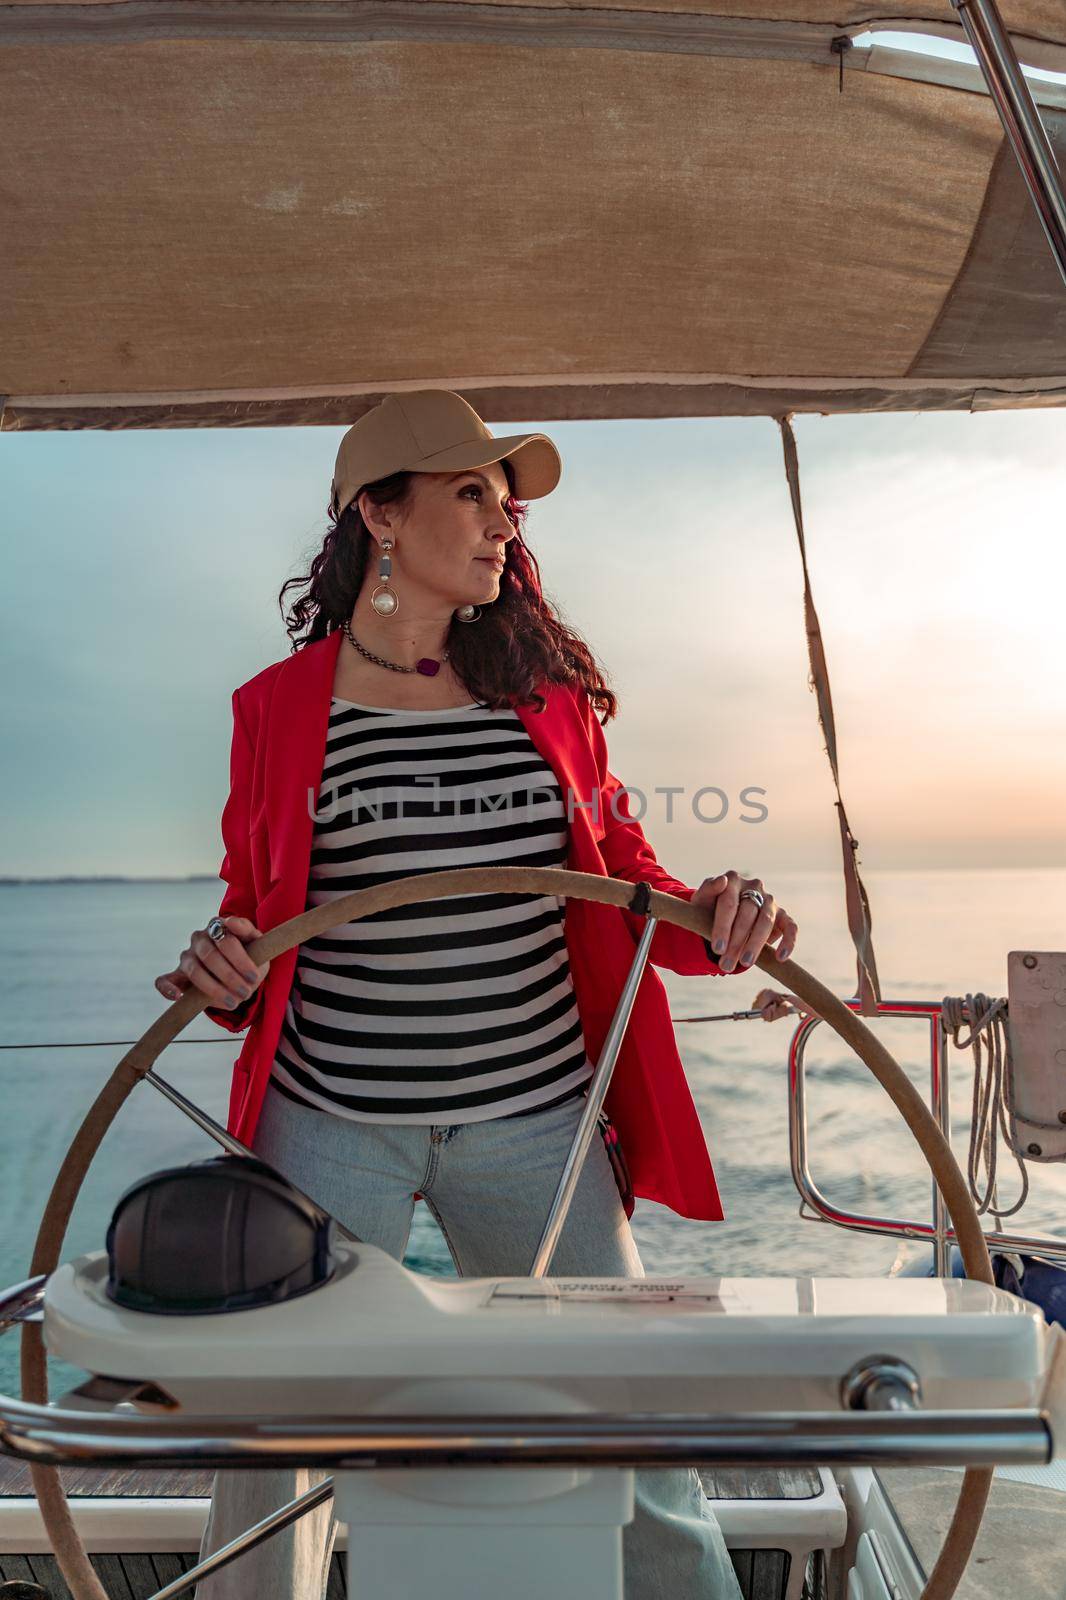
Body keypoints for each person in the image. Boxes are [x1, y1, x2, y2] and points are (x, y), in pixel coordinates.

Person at [155, 389, 799, 1600]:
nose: (503, 524)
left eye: (506, 504)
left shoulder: (544, 698)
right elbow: (256, 910)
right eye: (471, 495)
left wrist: (717, 920)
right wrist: (223, 967)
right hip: (328, 1127)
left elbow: (625, 879)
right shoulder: (276, 711)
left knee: (628, 1423)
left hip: (537, 1129)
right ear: (379, 518)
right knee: (274, 1436)